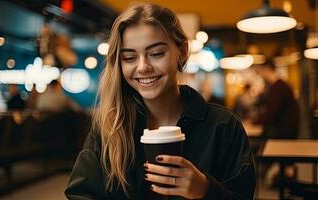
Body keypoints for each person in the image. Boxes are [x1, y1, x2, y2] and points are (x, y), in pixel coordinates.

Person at [65, 3, 255, 200]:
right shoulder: (109, 126)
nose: (143, 67)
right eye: (129, 57)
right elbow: (81, 195)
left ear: (181, 51)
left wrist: (206, 190)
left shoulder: (223, 126)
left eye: (156, 54)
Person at [253, 60, 299, 139]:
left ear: (267, 69)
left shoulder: (277, 88)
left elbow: (272, 112)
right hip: (288, 129)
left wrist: (256, 122)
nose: (260, 75)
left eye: (261, 71)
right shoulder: (280, 85)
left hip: (284, 131)